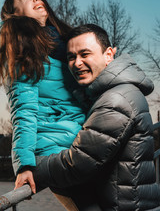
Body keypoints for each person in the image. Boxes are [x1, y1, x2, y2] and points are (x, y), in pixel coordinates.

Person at [32, 24, 160, 210]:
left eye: (85, 54)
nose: (77, 63)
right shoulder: (114, 93)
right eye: (71, 57)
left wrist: (30, 165)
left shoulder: (116, 99)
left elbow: (77, 164)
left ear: (108, 55)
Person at [0, 0, 86, 199]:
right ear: (15, 14)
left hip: (81, 136)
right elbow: (24, 110)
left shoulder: (63, 42)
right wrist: (24, 165)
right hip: (57, 147)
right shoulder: (22, 47)